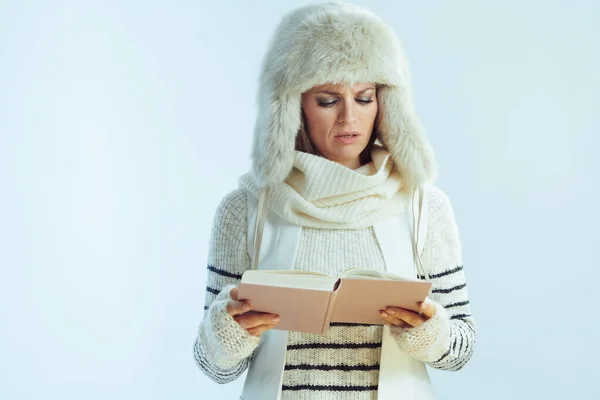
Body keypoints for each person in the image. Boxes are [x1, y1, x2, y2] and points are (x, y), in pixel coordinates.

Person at [194, 2, 476, 399]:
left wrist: (429, 329)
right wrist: (231, 328)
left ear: (385, 104)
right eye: (328, 100)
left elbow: (461, 349)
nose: (349, 118)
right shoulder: (245, 209)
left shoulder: (423, 206)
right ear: (294, 106)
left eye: (364, 98)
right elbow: (212, 365)